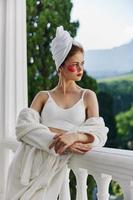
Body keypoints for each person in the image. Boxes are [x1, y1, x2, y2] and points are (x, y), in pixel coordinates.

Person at [4, 26, 109, 200]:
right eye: (75, 65)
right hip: (27, 166)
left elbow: (98, 133)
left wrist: (74, 137)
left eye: (82, 63)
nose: (81, 69)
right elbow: (23, 127)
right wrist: (63, 136)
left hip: (54, 171)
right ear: (61, 66)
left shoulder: (88, 96)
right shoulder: (43, 96)